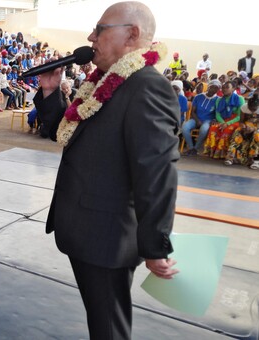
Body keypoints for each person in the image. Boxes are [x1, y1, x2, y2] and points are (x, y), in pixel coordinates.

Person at [42, 2, 180, 338]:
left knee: (108, 328)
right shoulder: (106, 82)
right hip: (86, 230)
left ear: (131, 34)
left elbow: (156, 172)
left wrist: (153, 245)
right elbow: (67, 132)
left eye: (100, 29)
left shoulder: (146, 86)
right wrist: (49, 92)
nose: (91, 37)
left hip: (107, 237)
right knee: (101, 321)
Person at [204, 80, 244, 159]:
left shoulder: (239, 99)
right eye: (223, 88)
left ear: (233, 89)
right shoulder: (219, 100)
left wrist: (227, 124)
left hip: (235, 120)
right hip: (222, 120)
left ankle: (223, 154)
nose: (224, 89)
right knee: (214, 128)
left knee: (227, 130)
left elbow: (240, 116)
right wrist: (223, 123)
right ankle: (212, 152)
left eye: (227, 87)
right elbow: (217, 114)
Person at [182, 80, 220, 156]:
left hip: (208, 120)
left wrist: (214, 119)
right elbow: (193, 111)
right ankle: (191, 147)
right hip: (196, 118)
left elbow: (218, 113)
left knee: (204, 129)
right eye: (212, 87)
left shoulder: (218, 99)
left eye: (216, 88)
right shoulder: (198, 97)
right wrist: (197, 120)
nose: (214, 90)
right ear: (208, 87)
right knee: (185, 127)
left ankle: (196, 148)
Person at [225, 93, 259, 169]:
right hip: (247, 125)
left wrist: (253, 129)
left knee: (257, 135)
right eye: (250, 108)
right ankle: (230, 157)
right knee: (237, 133)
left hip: (257, 127)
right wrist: (243, 126)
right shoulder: (244, 108)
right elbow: (241, 121)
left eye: (254, 109)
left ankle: (256, 160)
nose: (252, 111)